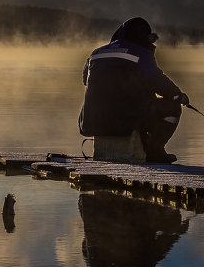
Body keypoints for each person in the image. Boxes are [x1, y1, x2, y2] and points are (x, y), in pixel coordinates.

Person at [78, 17, 189, 163]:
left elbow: (87, 81)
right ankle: (154, 151)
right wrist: (178, 95)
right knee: (172, 106)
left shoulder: (95, 54)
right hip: (127, 120)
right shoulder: (141, 54)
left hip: (92, 121)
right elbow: (157, 81)